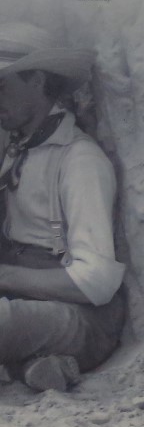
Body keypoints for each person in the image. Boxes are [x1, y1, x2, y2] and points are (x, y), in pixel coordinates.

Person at [0, 25, 124, 391]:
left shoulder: (80, 160)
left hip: (81, 316)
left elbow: (97, 282)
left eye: (2, 87)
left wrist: (5, 277)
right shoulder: (17, 143)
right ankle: (38, 366)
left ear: (37, 81)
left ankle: (34, 360)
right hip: (25, 297)